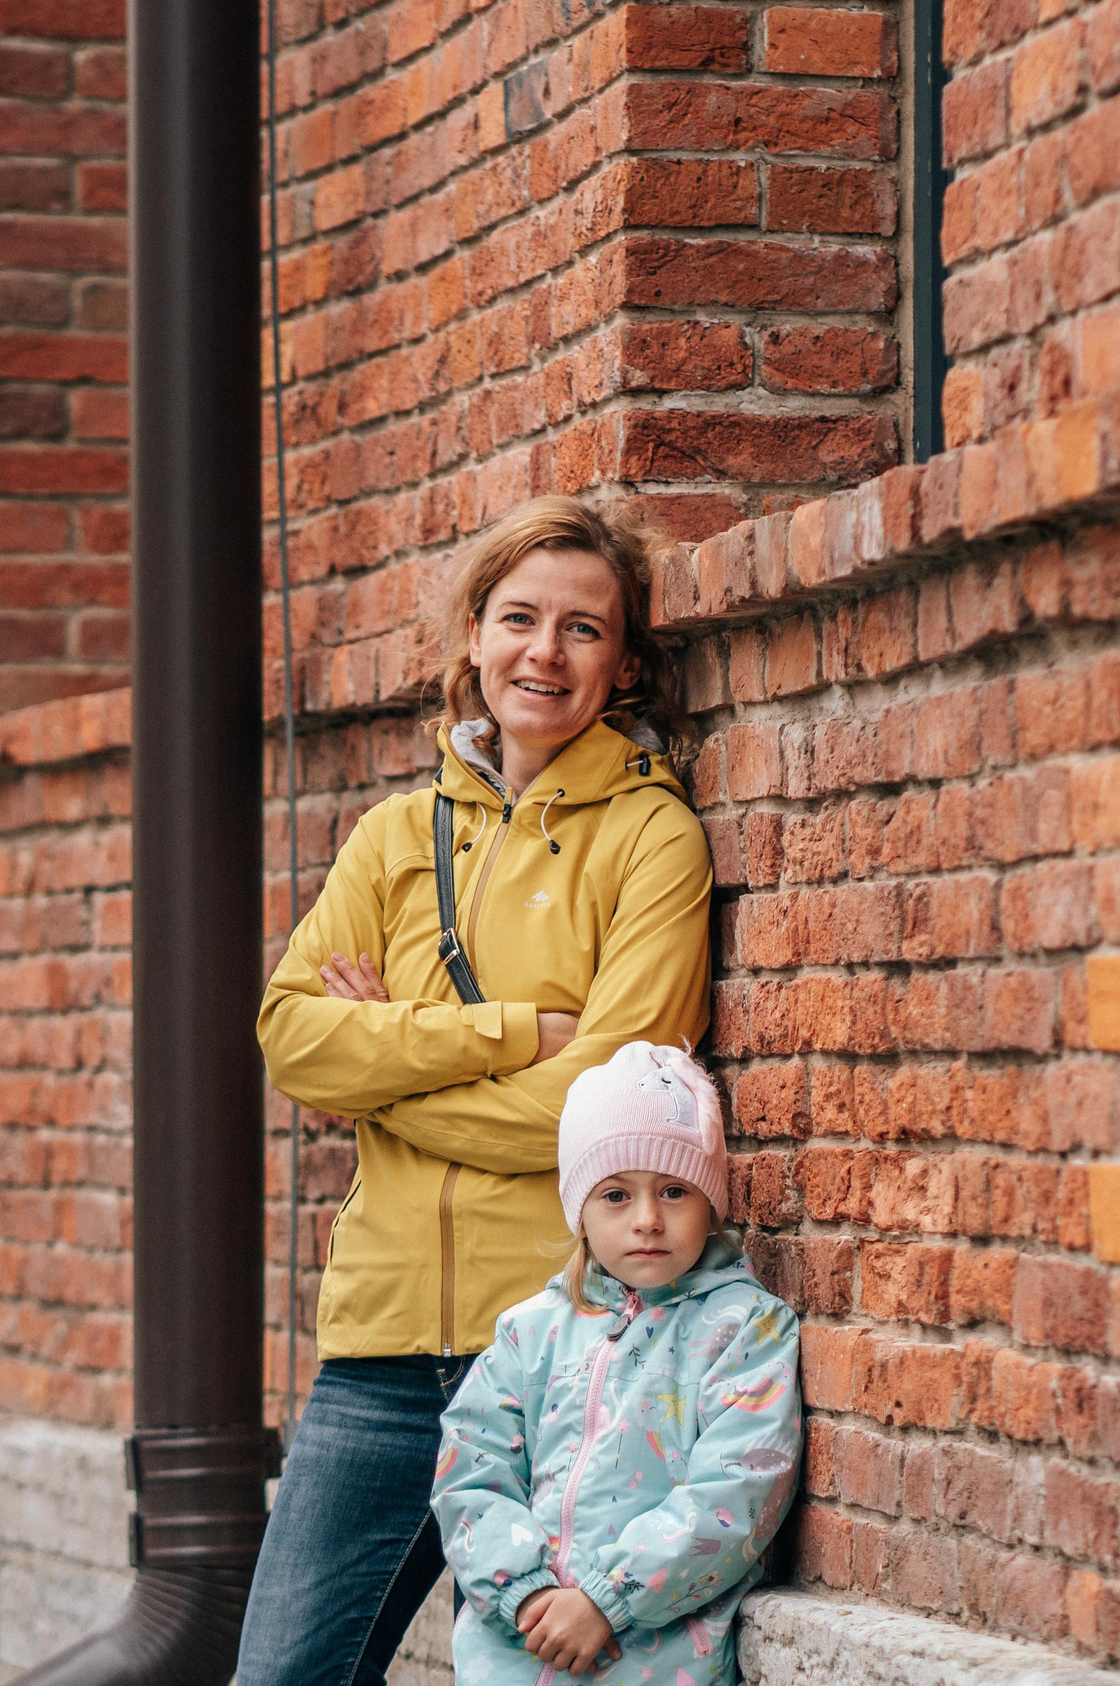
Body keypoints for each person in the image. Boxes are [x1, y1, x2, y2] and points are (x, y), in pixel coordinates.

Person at [241, 496, 716, 1685]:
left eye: (582, 630)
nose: (543, 654)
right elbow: (293, 1038)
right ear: (471, 636)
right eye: (517, 619)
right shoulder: (395, 836)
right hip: (382, 1350)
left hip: (562, 1345)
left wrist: (384, 1079)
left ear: (624, 663)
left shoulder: (652, 838)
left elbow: (610, 1118)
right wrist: (506, 1031)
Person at [432, 1042, 802, 1684]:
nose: (648, 1220)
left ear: (710, 1202)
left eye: (674, 1190)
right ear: (579, 1210)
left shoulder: (745, 1329)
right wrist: (528, 1594)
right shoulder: (529, 1333)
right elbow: (470, 1468)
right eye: (615, 1196)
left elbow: (738, 1491)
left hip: (651, 1662)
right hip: (514, 1656)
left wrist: (608, 1598)